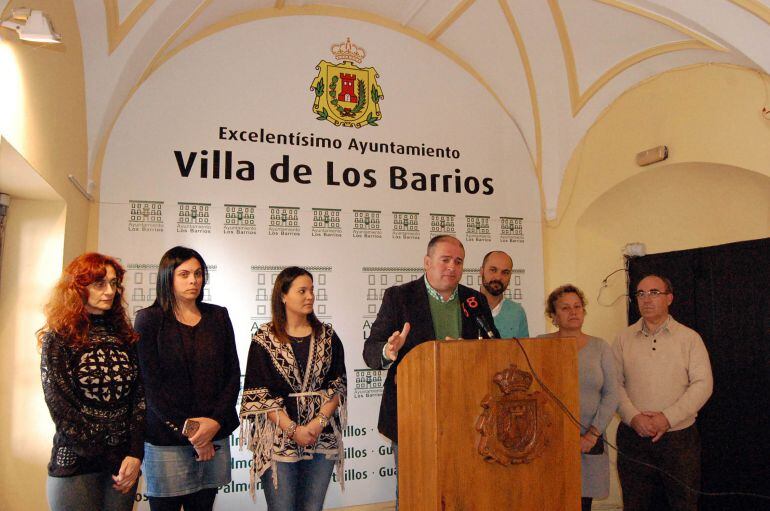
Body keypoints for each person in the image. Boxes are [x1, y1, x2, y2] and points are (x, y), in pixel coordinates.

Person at [362, 235, 498, 507]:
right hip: (413, 415)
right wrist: (389, 352)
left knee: (462, 491)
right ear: (427, 262)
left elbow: (495, 348)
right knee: (416, 494)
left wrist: (470, 352)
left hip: (466, 416)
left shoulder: (474, 301)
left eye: (458, 262)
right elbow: (370, 351)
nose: (452, 267)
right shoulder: (400, 297)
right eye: (445, 260)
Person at [134, 246, 240, 511]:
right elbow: (151, 386)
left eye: (198, 273)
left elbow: (231, 376)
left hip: (214, 434)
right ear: (167, 277)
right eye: (184, 274)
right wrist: (195, 433)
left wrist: (213, 425)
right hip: (166, 441)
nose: (193, 280)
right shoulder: (148, 320)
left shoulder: (218, 316)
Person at [39, 253, 145, 511]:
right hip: (76, 463)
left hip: (123, 466)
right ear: (78, 287)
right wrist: (112, 454)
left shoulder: (124, 335)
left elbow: (139, 399)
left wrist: (134, 454)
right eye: (100, 284)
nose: (110, 291)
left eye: (113, 283)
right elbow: (61, 407)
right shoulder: (59, 339)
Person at [240, 266, 347, 511]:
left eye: (312, 290)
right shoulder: (264, 339)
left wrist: (317, 423)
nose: (309, 296)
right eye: (302, 290)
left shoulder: (328, 337)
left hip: (321, 436)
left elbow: (338, 385)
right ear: (283, 295)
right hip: (278, 440)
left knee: (312, 507)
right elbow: (259, 395)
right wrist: (292, 429)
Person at [613, 274, 713, 511]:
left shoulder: (689, 338)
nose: (647, 299)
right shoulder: (622, 339)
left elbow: (703, 384)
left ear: (669, 298)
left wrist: (666, 418)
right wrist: (634, 417)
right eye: (641, 293)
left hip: (679, 438)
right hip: (633, 436)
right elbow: (613, 385)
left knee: (684, 504)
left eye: (654, 293)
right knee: (635, 504)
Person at [538, 284, 619, 511]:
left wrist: (592, 435)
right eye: (565, 308)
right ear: (553, 316)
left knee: (582, 504)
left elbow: (612, 394)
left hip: (587, 441)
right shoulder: (540, 344)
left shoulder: (600, 347)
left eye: (577, 307)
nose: (573, 312)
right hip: (549, 444)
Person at [479, 250, 529, 338]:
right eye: (493, 270)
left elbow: (523, 350)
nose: (498, 277)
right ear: (481, 271)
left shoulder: (517, 312)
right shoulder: (467, 307)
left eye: (505, 272)